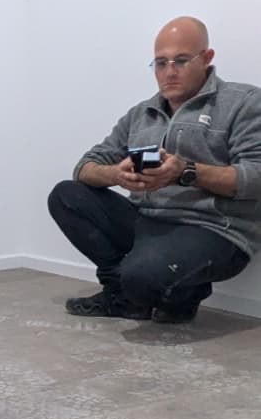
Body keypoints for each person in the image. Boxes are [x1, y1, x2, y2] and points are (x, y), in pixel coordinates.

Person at [48, 17, 261, 323]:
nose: (169, 71)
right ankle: (122, 296)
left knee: (142, 276)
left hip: (214, 230)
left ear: (207, 58)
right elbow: (84, 167)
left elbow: (256, 177)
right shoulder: (141, 113)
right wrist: (116, 175)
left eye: (181, 61)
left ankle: (180, 296)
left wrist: (185, 171)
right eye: (160, 63)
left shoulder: (245, 103)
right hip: (148, 222)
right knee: (66, 195)